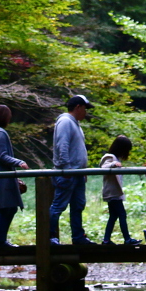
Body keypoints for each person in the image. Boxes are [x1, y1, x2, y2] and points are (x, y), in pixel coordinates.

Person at [49, 94, 94, 245]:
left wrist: (82, 171)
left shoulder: (74, 123)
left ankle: (78, 236)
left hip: (77, 173)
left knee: (78, 205)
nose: (86, 112)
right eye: (85, 109)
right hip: (69, 173)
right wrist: (66, 168)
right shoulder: (65, 122)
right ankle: (49, 236)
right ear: (78, 107)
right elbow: (63, 146)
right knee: (58, 205)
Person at [0, 104, 29, 248]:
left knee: (7, 208)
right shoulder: (0, 133)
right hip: (2, 178)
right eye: (8, 116)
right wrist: (19, 162)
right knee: (8, 207)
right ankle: (1, 242)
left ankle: (1, 241)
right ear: (4, 117)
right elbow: (2, 156)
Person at [100, 135, 140, 245]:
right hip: (112, 193)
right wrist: (113, 164)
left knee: (113, 216)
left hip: (115, 193)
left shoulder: (116, 158)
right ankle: (127, 239)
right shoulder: (109, 157)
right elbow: (104, 166)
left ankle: (106, 240)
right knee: (122, 214)